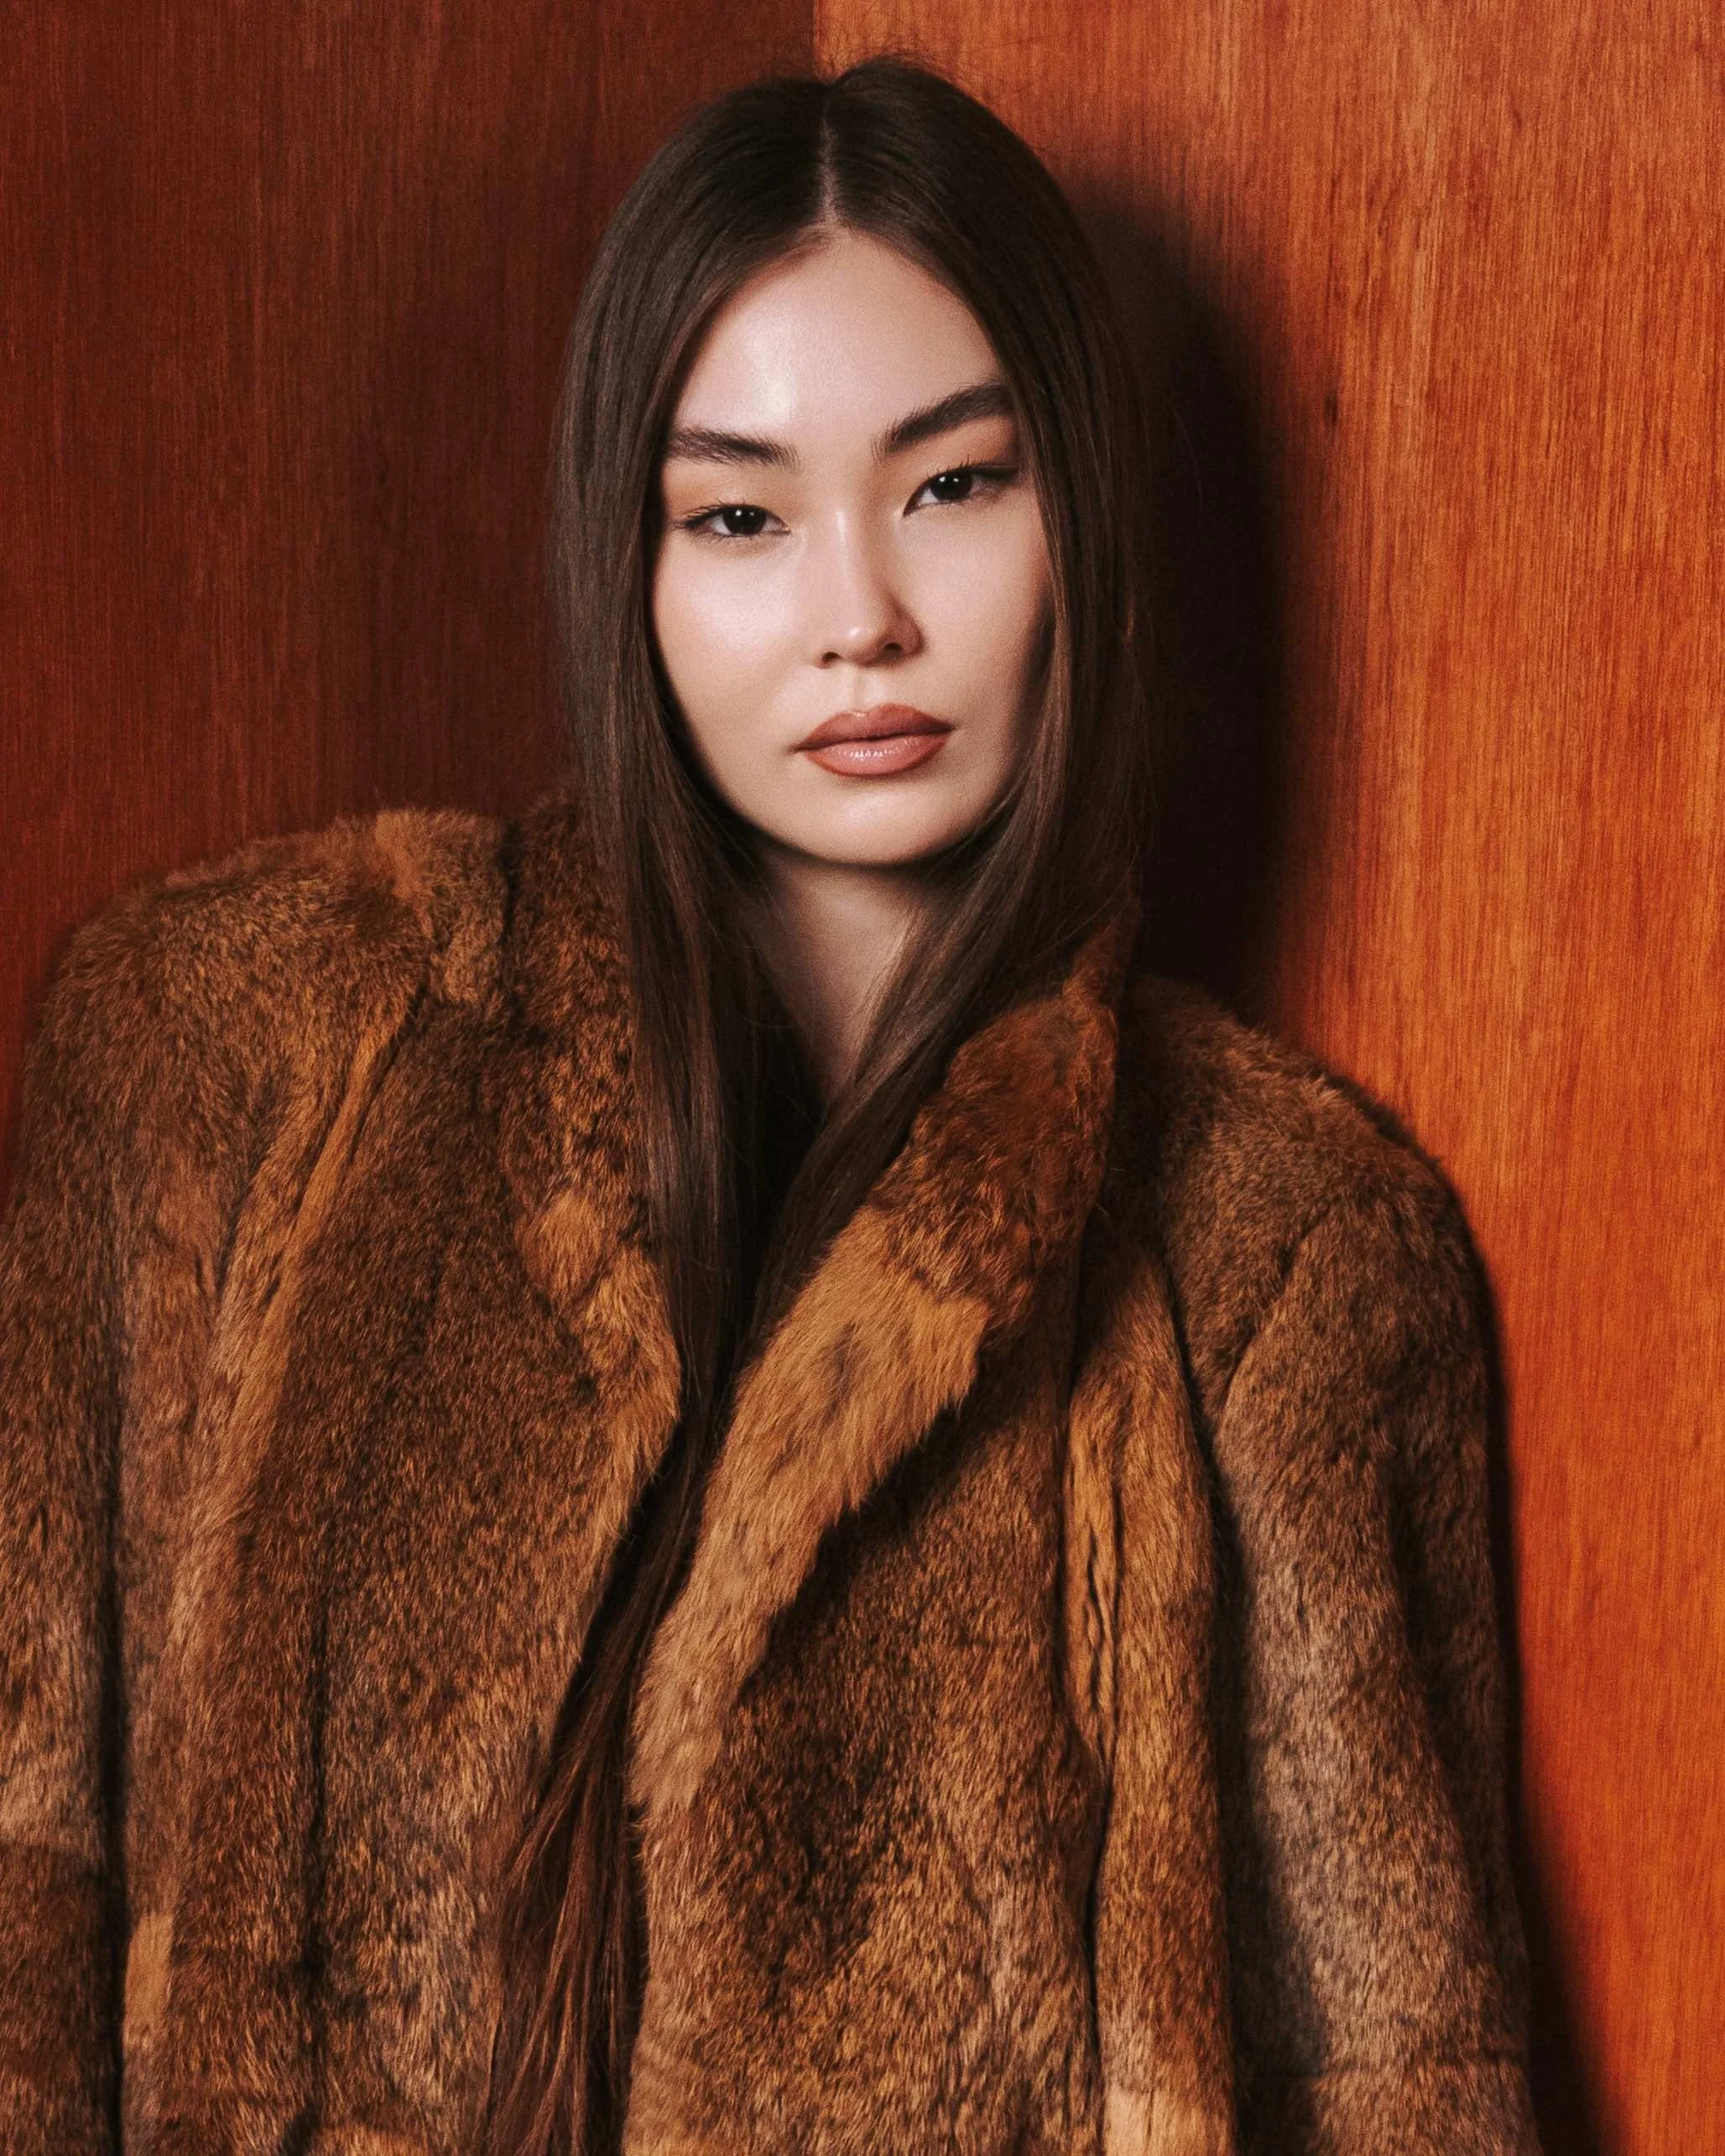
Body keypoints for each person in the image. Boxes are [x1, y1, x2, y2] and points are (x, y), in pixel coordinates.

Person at [0, 55, 1540, 2156]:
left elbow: (1409, 2093)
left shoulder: (1279, 1266)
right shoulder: (246, 1060)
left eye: (953, 483)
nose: (857, 617)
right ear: (622, 566)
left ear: (1080, 505)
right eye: (737, 512)